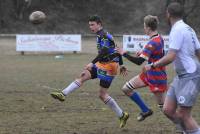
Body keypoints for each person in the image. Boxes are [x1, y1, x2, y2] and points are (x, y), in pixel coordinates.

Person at [50, 15, 129, 128]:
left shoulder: (104, 35)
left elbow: (105, 50)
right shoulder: (101, 35)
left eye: (93, 24)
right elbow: (116, 49)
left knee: (102, 95)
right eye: (89, 25)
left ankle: (122, 115)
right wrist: (122, 64)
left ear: (99, 24)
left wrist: (93, 63)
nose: (91, 27)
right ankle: (63, 94)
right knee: (83, 75)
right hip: (102, 64)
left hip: (110, 67)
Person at [143, 2, 200, 134]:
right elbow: (198, 51)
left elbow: (170, 57)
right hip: (181, 76)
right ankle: (187, 131)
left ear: (168, 14)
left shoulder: (177, 30)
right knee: (168, 110)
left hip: (190, 76)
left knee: (184, 115)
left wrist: (152, 65)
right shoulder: (188, 28)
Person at [116, 15, 167, 121]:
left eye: (144, 26)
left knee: (165, 109)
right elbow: (157, 53)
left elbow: (139, 62)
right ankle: (146, 110)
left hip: (157, 77)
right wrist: (143, 53)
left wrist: (123, 53)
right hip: (148, 73)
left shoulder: (152, 43)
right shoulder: (158, 37)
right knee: (126, 88)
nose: (144, 28)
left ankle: (183, 127)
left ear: (148, 28)